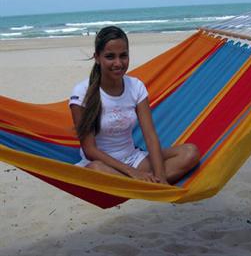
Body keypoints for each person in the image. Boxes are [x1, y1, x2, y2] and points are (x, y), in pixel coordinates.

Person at [69, 26, 200, 184]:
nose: (118, 63)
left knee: (190, 152)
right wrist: (132, 173)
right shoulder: (83, 92)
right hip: (104, 165)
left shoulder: (136, 86)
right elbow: (90, 150)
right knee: (96, 169)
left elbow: (150, 137)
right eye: (110, 57)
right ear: (97, 58)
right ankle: (141, 183)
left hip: (135, 160)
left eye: (123, 56)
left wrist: (162, 178)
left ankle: (146, 184)